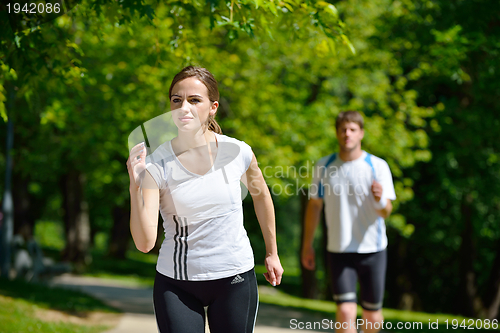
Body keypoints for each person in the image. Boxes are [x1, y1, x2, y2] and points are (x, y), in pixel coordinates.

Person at [126, 66, 283, 333]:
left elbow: (261, 196)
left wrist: (272, 252)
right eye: (177, 100)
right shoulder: (157, 164)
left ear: (213, 107)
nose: (183, 107)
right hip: (176, 283)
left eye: (194, 100)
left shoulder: (239, 152)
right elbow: (144, 243)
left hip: (234, 277)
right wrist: (134, 185)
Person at [301, 110, 396, 333]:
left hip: (373, 250)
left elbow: (386, 211)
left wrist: (379, 198)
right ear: (336, 133)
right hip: (339, 250)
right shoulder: (323, 166)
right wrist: (307, 246)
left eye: (352, 129)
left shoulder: (377, 166)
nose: (347, 134)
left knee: (372, 317)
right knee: (345, 312)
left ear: (361, 133)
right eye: (343, 129)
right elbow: (314, 206)